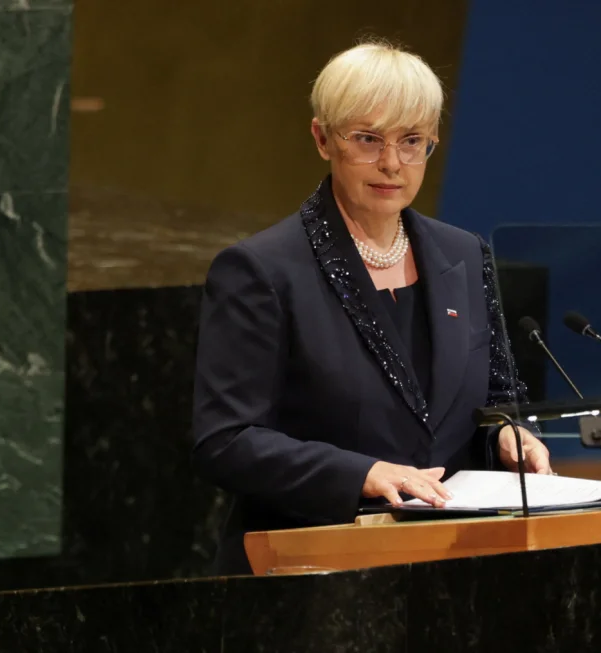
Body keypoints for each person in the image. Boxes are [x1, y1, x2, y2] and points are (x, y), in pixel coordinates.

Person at [191, 40, 551, 574]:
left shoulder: (464, 254)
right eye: (367, 139)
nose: (391, 164)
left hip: (452, 564)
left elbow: (500, 395)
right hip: (311, 570)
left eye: (411, 142)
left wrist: (510, 433)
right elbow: (225, 440)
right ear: (322, 138)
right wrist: (363, 473)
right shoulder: (261, 270)